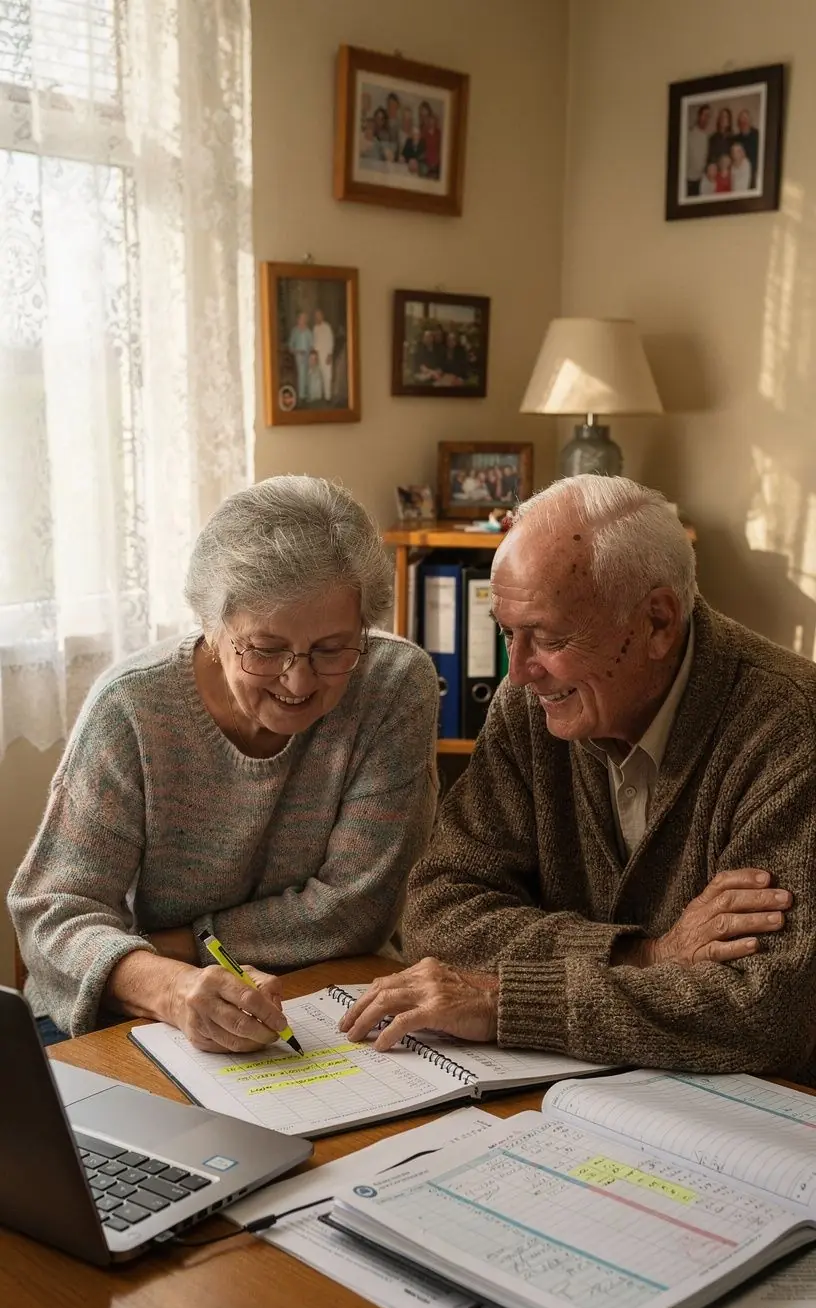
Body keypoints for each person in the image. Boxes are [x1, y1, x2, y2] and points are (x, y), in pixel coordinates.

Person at [340, 474, 816, 1085]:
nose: (518, 673)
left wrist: (507, 1003)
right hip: (579, 1091)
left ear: (658, 622)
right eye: (507, 632)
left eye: (548, 637)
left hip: (752, 1120)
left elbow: (763, 1013)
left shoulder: (792, 731)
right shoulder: (534, 708)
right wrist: (645, 954)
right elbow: (437, 911)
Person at [10, 477, 439, 1049]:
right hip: (134, 1011)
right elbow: (54, 912)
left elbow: (359, 908)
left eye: (333, 648)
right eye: (266, 649)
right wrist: (169, 984)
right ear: (214, 626)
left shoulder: (392, 685)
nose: (299, 679)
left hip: (325, 1002)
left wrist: (183, 941)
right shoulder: (132, 708)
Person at [686, 102, 711, 196]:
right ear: (699, 116)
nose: (706, 118)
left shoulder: (706, 137)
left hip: (701, 181)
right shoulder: (689, 133)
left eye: (708, 116)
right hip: (689, 180)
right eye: (704, 115)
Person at [288, 311, 313, 401]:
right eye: (301, 318)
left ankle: (307, 395)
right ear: (298, 319)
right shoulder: (295, 331)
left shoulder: (308, 331)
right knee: (301, 374)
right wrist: (296, 351)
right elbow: (291, 345)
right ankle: (301, 396)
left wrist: (310, 355)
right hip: (298, 356)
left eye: (304, 318)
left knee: (308, 375)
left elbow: (311, 344)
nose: (302, 320)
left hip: (307, 356)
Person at [312, 308, 334, 400]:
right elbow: (314, 342)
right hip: (318, 354)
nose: (318, 317)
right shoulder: (315, 328)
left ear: (322, 316)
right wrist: (315, 355)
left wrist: (330, 354)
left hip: (326, 354)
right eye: (316, 316)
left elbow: (331, 341)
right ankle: (319, 396)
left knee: (327, 376)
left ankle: (328, 397)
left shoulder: (327, 327)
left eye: (319, 315)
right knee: (318, 376)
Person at [735, 108, 760, 184]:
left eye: (745, 119)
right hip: (741, 176)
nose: (743, 122)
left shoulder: (758, 135)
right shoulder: (736, 139)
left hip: (754, 175)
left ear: (750, 121)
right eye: (741, 121)